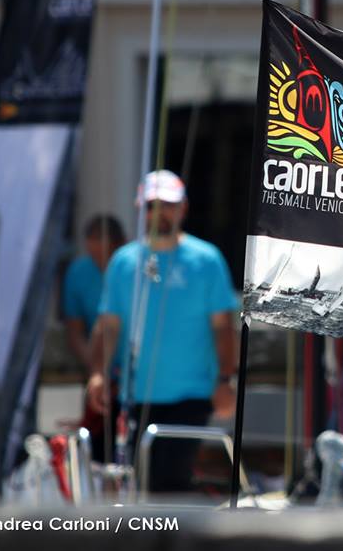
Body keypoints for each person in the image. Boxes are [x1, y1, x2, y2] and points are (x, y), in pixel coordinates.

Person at [85, 170, 239, 493]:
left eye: (168, 204)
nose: (160, 213)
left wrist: (226, 380)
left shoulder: (207, 259)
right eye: (152, 205)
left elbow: (223, 326)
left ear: (182, 208)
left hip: (192, 395)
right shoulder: (123, 262)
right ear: (142, 208)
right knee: (135, 483)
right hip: (134, 395)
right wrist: (98, 373)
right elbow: (108, 325)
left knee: (168, 481)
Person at [63, 214, 126, 373]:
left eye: (107, 256)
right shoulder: (78, 272)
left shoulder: (135, 271)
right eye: (95, 257)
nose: (101, 264)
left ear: (121, 244)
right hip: (98, 368)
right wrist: (96, 369)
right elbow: (74, 331)